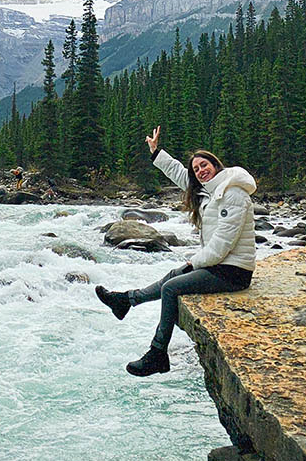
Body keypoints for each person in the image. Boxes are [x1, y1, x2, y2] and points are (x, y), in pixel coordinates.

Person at [96, 125, 257, 377]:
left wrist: (194, 262)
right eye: (196, 168)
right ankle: (125, 300)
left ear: (216, 165)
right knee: (173, 274)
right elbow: (181, 175)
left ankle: (158, 353)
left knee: (172, 287)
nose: (200, 171)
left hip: (234, 271)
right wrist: (156, 151)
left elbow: (223, 243)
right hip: (221, 265)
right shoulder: (210, 190)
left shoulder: (232, 193)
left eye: (204, 165)